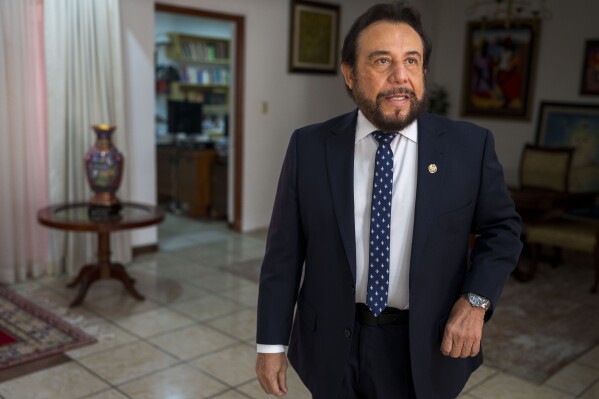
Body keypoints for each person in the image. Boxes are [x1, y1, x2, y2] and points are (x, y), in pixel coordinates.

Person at [255, 2, 522, 398]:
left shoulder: (470, 147)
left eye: (411, 61)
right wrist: (271, 345)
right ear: (349, 74)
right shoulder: (309, 147)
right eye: (383, 61)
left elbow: (504, 230)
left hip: (426, 346)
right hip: (331, 343)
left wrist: (476, 301)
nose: (401, 77)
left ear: (423, 72)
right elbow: (283, 254)